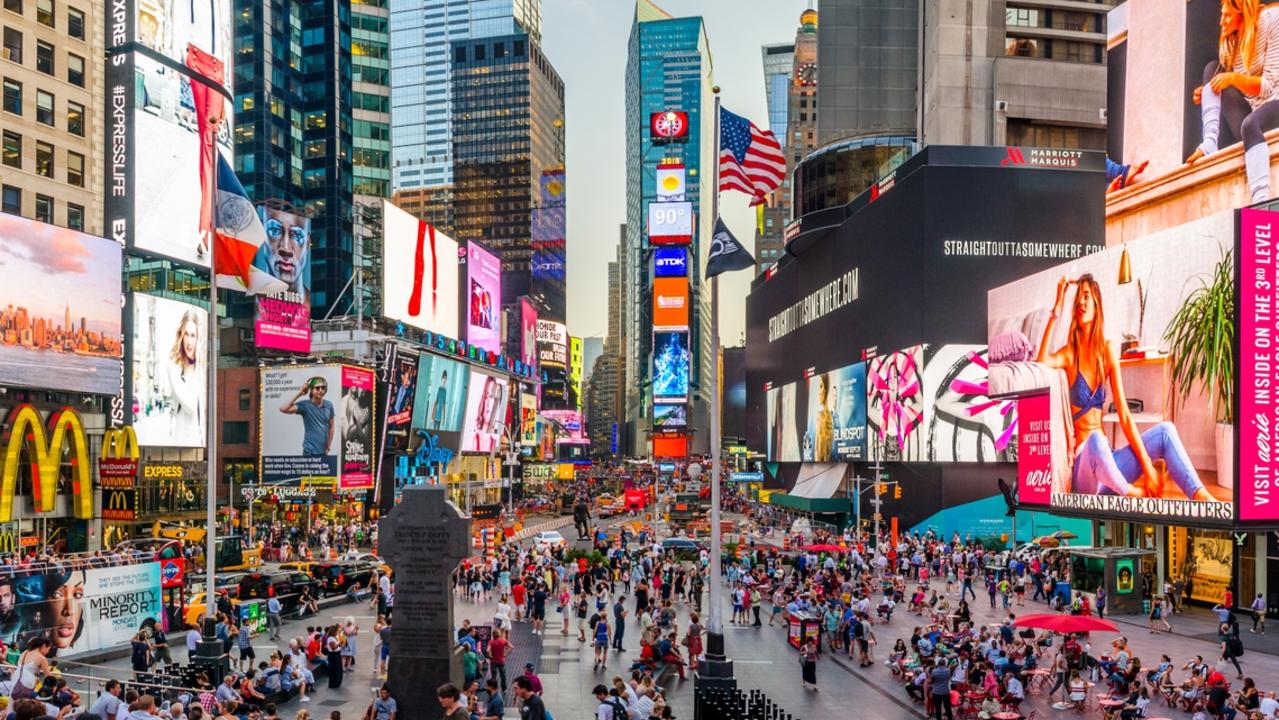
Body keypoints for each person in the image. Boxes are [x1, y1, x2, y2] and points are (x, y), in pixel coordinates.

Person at [1037, 275, 1210, 500]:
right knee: (1096, 439)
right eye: (1078, 298)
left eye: (1086, 296)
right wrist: (1057, 306)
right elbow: (1040, 361)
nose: (1081, 303)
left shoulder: (1107, 350)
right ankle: (1131, 494)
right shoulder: (1070, 353)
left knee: (1165, 431)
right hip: (1085, 470)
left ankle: (1202, 497)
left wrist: (1148, 467)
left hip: (1110, 466)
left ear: (1097, 304)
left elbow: (1125, 417)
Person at [1187, 0, 1279, 203]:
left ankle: (1261, 205)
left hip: (1275, 102)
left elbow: (1269, 86)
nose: (1221, 22)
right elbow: (1232, 85)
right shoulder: (1230, 43)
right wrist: (1210, 92)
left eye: (1227, 15)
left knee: (1251, 124)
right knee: (1212, 70)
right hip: (1252, 110)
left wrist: (1233, 79)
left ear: (1243, 12)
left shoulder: (1272, 21)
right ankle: (1209, 142)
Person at [164, 307, 204, 443]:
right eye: (186, 334)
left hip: (201, 441)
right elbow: (191, 405)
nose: (189, 342)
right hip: (183, 441)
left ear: (198, 338)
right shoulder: (173, 365)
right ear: (180, 335)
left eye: (193, 335)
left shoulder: (202, 365)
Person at [280, 377, 335, 458]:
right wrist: (300, 393)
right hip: (309, 452)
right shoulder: (305, 405)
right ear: (311, 390)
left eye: (323, 388)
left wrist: (328, 446)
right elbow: (283, 408)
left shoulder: (329, 405)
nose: (320, 390)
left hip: (323, 452)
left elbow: (332, 427)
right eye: (317, 388)